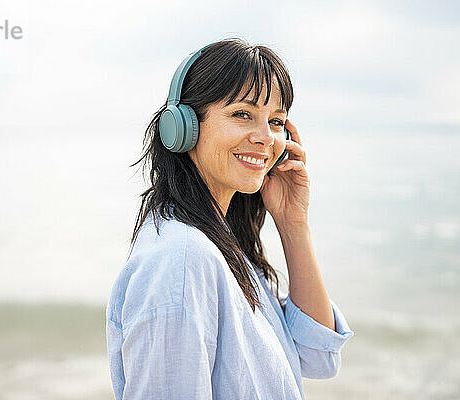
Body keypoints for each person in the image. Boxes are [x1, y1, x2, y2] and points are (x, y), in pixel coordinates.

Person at [105, 38, 355, 400]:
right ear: (184, 127)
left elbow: (319, 356)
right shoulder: (182, 260)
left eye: (276, 121)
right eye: (242, 114)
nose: (265, 137)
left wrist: (292, 222)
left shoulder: (221, 244)